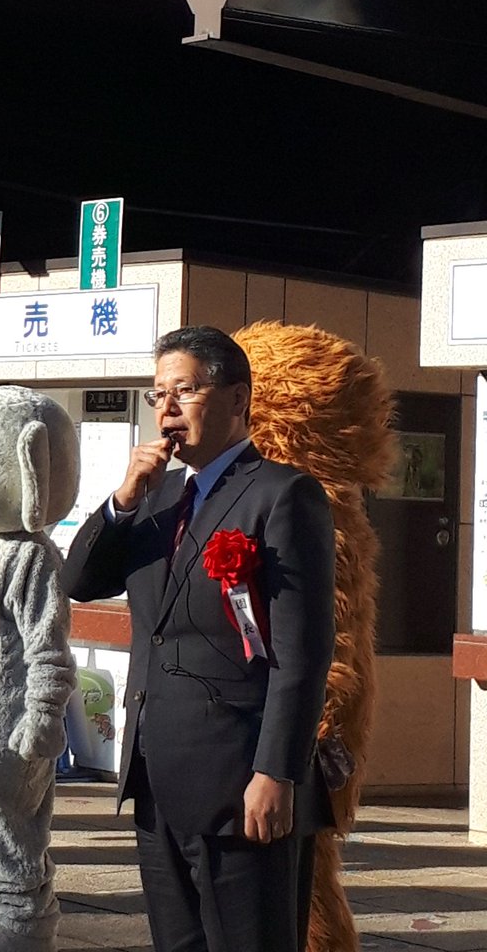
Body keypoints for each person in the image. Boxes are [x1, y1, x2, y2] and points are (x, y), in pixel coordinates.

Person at [62, 325, 335, 952]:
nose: (167, 409)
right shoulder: (157, 501)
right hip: (158, 777)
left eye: (184, 390)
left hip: (241, 777)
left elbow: (303, 653)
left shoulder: (282, 495)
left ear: (238, 398)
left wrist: (276, 771)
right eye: (158, 395)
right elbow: (80, 579)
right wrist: (123, 499)